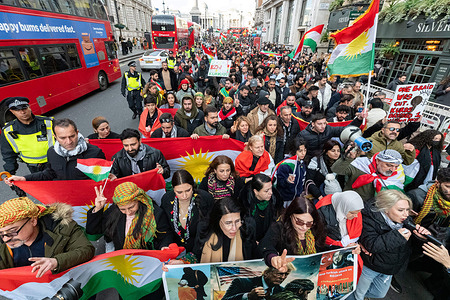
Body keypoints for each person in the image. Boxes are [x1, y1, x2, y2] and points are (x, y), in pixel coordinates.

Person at [348, 190, 430, 300]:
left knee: (379, 294)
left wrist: (421, 238)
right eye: (401, 210)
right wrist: (397, 236)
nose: (406, 214)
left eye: (407, 210)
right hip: (370, 266)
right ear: (386, 209)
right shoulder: (369, 219)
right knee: (358, 295)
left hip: (390, 268)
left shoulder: (405, 220)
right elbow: (371, 245)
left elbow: (412, 247)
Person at [0, 197, 95, 275]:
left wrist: (56, 262)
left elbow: (86, 249)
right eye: (1, 233)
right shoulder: (3, 241)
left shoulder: (61, 227)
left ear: (33, 221)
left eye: (12, 231)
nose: (6, 239)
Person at [5, 119, 105, 183]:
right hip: (65, 199)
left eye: (72, 136)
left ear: (77, 133)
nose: (69, 141)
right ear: (55, 137)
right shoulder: (52, 153)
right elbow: (49, 173)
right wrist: (24, 178)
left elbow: (102, 180)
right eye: (63, 138)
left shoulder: (95, 153)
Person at [86, 182, 172, 251]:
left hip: (148, 260)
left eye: (131, 207)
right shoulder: (114, 211)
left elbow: (165, 235)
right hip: (124, 261)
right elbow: (93, 230)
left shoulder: (155, 213)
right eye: (123, 209)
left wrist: (164, 246)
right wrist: (98, 208)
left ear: (139, 200)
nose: (128, 212)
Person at [160, 170, 214, 262]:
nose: (184, 196)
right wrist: (166, 245)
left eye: (188, 190)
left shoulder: (205, 199)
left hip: (200, 250)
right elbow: (165, 227)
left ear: (193, 186)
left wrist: (188, 259)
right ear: (173, 189)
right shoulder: (167, 199)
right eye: (179, 192)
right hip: (175, 250)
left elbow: (205, 233)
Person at [259, 196, 326, 270]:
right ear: (291, 215)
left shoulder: (316, 228)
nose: (304, 227)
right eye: (299, 222)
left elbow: (322, 247)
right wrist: (272, 258)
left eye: (309, 224)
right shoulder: (279, 227)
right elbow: (266, 245)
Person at [0, 97, 55, 176]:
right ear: (11, 111)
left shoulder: (49, 123)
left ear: (29, 107)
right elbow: (8, 154)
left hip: (55, 164)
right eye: (17, 110)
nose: (22, 112)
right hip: (34, 168)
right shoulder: (8, 130)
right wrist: (10, 174)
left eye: (24, 108)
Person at [195, 197, 259, 263]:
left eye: (237, 221)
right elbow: (196, 256)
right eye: (228, 223)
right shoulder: (204, 228)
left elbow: (254, 258)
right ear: (218, 221)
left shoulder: (247, 228)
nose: (234, 228)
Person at [297, 113, 364, 159]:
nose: (323, 126)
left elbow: (346, 130)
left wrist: (359, 119)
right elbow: (298, 149)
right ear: (313, 124)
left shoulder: (329, 129)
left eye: (324, 123)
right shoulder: (303, 134)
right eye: (319, 124)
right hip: (309, 159)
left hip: (325, 158)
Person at [239, 174, 283, 242]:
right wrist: (252, 241)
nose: (271, 193)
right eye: (266, 191)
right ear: (256, 192)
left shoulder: (274, 199)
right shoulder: (245, 205)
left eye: (271, 188)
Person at [222, 265, 295, 300]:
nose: (283, 277)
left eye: (286, 275)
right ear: (266, 273)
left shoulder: (282, 291)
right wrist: (248, 296)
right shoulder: (241, 283)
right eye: (280, 274)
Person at [272, 138, 307, 206]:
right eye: (300, 151)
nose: (303, 153)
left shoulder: (302, 164)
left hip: (296, 197)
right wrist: (287, 181)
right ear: (294, 151)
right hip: (285, 199)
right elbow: (279, 182)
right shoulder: (286, 164)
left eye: (305, 150)